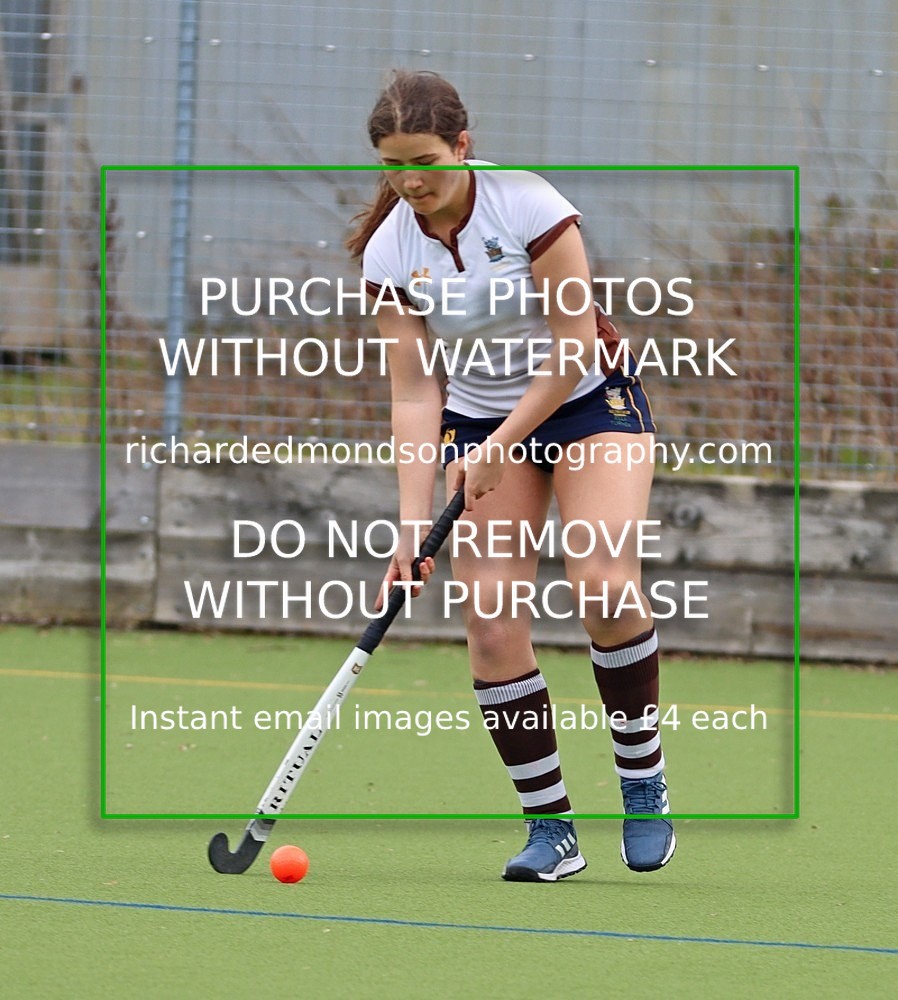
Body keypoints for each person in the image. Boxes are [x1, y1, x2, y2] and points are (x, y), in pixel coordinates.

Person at [347, 69, 675, 881]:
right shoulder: (392, 249)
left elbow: (572, 347)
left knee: (600, 580)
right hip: (479, 421)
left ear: (463, 145)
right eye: (394, 166)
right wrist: (410, 524)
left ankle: (642, 781)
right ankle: (551, 830)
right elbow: (417, 390)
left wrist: (503, 443)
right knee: (491, 624)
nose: (411, 182)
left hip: (588, 405)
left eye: (425, 160)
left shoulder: (530, 206)